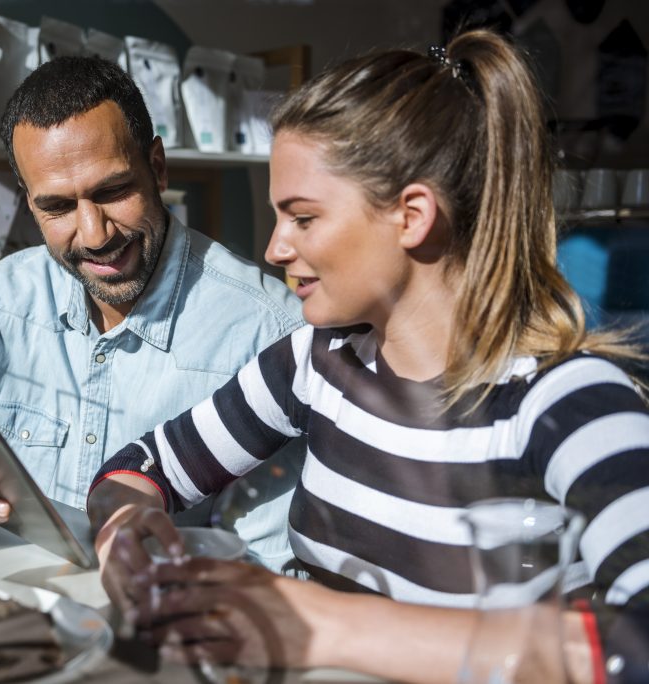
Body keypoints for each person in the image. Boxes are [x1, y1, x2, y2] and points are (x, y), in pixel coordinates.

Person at [88, 30, 649, 684]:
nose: (274, 248)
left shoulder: (567, 401)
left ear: (411, 216)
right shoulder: (314, 361)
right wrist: (126, 529)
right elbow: (141, 466)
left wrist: (324, 623)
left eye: (302, 217)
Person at [0, 55, 305, 568]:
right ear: (29, 204)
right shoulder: (6, 297)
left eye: (112, 192)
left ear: (157, 168)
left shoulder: (267, 333)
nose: (94, 235)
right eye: (58, 208)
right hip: (9, 614)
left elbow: (270, 573)